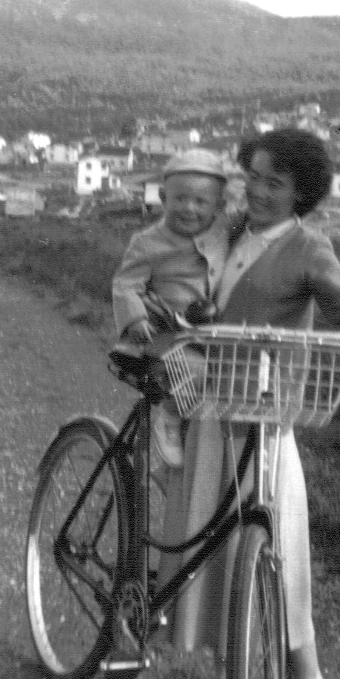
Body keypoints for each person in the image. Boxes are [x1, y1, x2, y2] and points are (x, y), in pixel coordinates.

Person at [161, 128, 340, 679]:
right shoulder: (232, 232)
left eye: (276, 182)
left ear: (303, 193)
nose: (259, 191)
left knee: (276, 550)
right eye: (254, 177)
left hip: (264, 422)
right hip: (215, 406)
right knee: (217, 550)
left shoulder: (307, 247)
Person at [111, 148, 233, 468]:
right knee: (194, 371)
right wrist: (134, 316)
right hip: (163, 333)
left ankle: (196, 464)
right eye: (179, 199)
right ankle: (169, 418)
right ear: (164, 198)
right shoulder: (149, 241)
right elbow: (126, 283)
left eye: (201, 202)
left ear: (219, 207)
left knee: (231, 379)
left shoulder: (222, 235)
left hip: (208, 334)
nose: (189, 209)